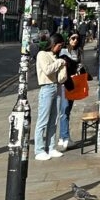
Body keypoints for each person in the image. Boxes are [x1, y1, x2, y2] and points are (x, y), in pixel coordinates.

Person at [34, 32, 68, 160]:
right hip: (47, 88)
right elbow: (47, 70)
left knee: (54, 119)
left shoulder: (55, 56)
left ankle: (51, 147)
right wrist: (59, 62)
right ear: (53, 44)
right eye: (59, 45)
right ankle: (39, 150)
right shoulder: (42, 55)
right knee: (43, 120)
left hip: (57, 86)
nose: (60, 48)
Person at [57, 31, 86, 151]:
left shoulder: (78, 51)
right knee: (64, 110)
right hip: (65, 84)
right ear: (68, 39)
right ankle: (65, 137)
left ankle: (61, 137)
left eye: (77, 39)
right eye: (73, 38)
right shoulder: (63, 51)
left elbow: (79, 65)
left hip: (74, 83)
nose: (75, 41)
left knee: (67, 111)